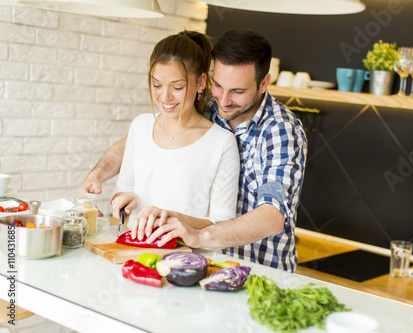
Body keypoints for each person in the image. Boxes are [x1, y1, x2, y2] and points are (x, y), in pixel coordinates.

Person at [79, 28, 307, 272]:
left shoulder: (281, 132)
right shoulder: (209, 106)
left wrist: (198, 236)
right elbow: (140, 141)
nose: (224, 99)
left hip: (260, 266)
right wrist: (98, 174)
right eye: (218, 85)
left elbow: (272, 216)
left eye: (238, 91)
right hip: (208, 262)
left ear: (263, 83)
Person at [110, 30, 240, 226]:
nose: (164, 97)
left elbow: (223, 223)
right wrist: (125, 200)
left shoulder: (221, 142)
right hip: (135, 251)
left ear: (201, 82)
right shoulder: (141, 125)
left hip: (187, 255)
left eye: (177, 87)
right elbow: (123, 188)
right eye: (156, 84)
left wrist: (172, 218)